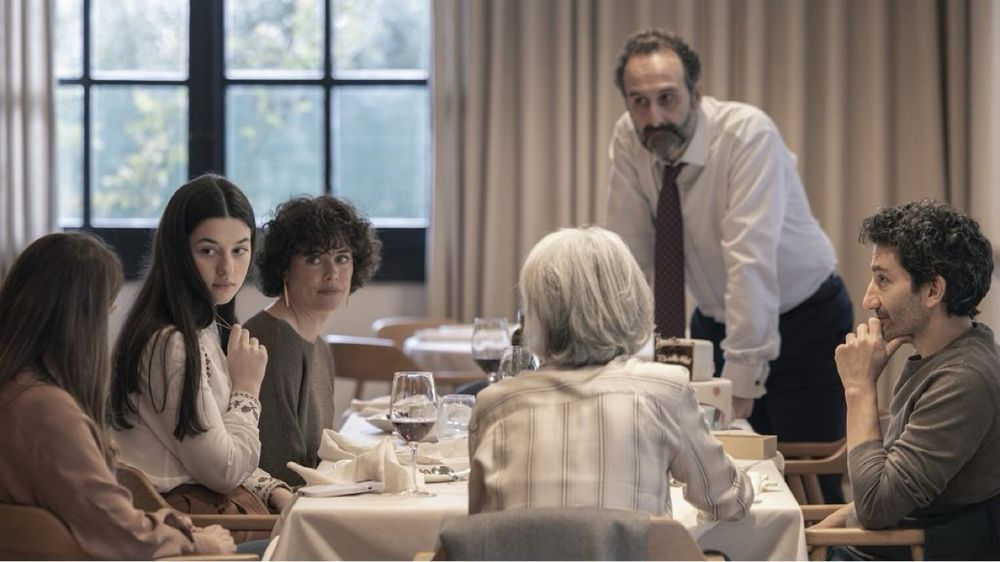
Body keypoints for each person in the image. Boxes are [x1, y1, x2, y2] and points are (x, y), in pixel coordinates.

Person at [604, 29, 853, 500]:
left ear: (696, 92)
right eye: (639, 102)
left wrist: (740, 385)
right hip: (716, 320)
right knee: (720, 473)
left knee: (805, 479)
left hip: (805, 321)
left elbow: (749, 262)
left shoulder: (747, 135)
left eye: (667, 98)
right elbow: (627, 259)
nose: (654, 117)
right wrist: (618, 358)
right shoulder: (629, 139)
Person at [468, 226, 753, 518]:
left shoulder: (492, 405)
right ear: (630, 303)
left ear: (534, 313)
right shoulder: (665, 391)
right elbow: (729, 501)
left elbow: (479, 527)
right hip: (632, 544)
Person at [0, 233, 235, 559]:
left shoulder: (16, 392)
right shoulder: (48, 411)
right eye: (106, 312)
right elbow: (119, 530)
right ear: (80, 320)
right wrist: (200, 543)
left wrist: (168, 526)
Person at [815, 200, 1000, 560]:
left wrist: (858, 388)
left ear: (932, 291)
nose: (868, 299)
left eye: (883, 280)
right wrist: (815, 535)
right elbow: (880, 494)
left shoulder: (964, 379)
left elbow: (875, 507)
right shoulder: (943, 357)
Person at [110, 174, 292, 539]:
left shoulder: (203, 328)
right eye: (208, 251)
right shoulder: (171, 344)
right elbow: (223, 471)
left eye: (239, 250)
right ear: (178, 253)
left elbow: (214, 447)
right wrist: (246, 390)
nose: (227, 268)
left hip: (204, 509)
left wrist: (270, 488)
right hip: (184, 523)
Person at [246, 195, 382, 486]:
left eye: (342, 258)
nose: (332, 274)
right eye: (314, 259)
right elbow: (281, 470)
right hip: (284, 507)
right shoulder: (275, 343)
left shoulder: (318, 345)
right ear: (285, 267)